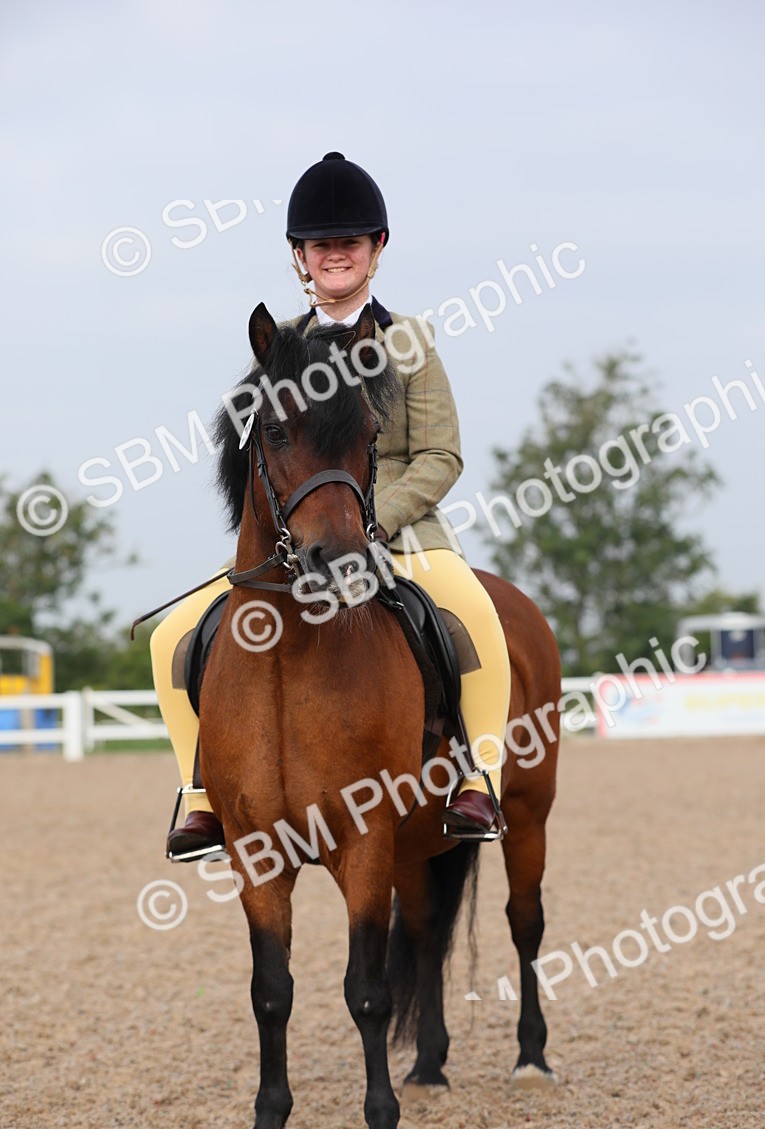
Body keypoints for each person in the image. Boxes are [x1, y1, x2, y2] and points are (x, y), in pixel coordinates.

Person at [149, 151, 511, 859]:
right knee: (171, 639)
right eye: (321, 245)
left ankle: (480, 778)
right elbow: (254, 457)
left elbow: (440, 455)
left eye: (350, 243)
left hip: (399, 533)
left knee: (475, 616)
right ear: (300, 257)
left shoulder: (408, 343)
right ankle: (201, 797)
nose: (335, 255)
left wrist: (376, 520)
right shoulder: (279, 350)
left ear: (376, 250)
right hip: (299, 538)